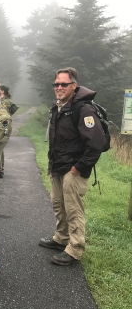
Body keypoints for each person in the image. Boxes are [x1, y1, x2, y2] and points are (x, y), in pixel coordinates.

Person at [39, 67, 105, 266]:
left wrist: (78, 167)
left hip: (73, 170)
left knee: (73, 208)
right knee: (58, 204)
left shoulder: (82, 109)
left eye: (63, 84)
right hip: (58, 166)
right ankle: (62, 237)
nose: (59, 87)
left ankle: (75, 249)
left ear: (73, 86)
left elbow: (96, 144)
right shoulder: (59, 106)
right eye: (56, 84)